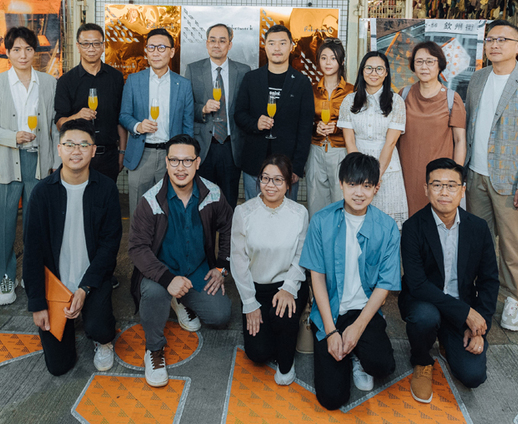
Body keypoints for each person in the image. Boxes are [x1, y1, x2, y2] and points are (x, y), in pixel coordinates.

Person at [464, 20, 518, 332]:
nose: (494, 45)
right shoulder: (477, 79)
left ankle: (514, 300)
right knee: (478, 241)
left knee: (515, 246)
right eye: (490, 40)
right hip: (476, 176)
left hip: (511, 181)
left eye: (502, 40)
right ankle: (481, 294)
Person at [127, 134, 232, 388]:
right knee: (153, 293)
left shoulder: (213, 194)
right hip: (159, 273)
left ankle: (179, 299)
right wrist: (167, 279)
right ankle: (153, 350)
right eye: (174, 160)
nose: (180, 168)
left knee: (221, 314)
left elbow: (230, 229)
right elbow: (137, 249)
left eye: (187, 161)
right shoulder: (150, 200)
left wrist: (221, 267)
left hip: (197, 269)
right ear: (166, 162)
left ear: (197, 163)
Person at [299, 152, 401, 410]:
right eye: (353, 184)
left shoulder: (387, 227)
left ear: (376, 188)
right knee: (332, 398)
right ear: (342, 183)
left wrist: (357, 328)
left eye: (367, 186)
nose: (359, 192)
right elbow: (317, 279)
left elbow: (384, 285)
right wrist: (331, 331)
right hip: (330, 311)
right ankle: (341, 350)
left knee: (383, 365)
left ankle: (356, 353)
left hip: (363, 311)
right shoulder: (322, 221)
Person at [24, 119, 122, 375]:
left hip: (92, 280)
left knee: (98, 327)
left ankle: (104, 339)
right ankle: (67, 317)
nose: (75, 151)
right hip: (55, 285)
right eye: (69, 144)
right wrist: (37, 304)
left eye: (83, 145)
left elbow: (110, 246)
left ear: (93, 150)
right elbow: (32, 251)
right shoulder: (42, 193)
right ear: (59, 149)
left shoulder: (107, 189)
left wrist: (85, 288)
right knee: (59, 366)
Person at [398, 158, 499, 402]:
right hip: (425, 302)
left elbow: (489, 281)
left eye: (452, 185)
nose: (444, 192)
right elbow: (418, 284)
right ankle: (422, 360)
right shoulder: (413, 227)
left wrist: (480, 327)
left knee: (473, 376)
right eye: (437, 185)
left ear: (463, 190)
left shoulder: (478, 227)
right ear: (426, 189)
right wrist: (466, 312)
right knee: (425, 317)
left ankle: (445, 340)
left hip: (461, 308)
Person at [0, 26, 58, 306]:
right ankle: (6, 280)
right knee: (5, 226)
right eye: (16, 49)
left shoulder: (49, 83)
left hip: (38, 162)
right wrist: (11, 137)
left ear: (35, 52)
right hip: (5, 161)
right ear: (8, 53)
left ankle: (31, 275)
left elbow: (56, 127)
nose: (22, 55)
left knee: (36, 226)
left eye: (28, 49)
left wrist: (55, 161)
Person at [231, 154, 309, 385]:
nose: (270, 185)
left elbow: (301, 256)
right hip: (256, 288)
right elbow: (238, 260)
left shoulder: (299, 213)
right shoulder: (244, 212)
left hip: (288, 284)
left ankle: (287, 364)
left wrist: (289, 288)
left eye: (277, 180)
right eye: (265, 178)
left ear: (288, 183)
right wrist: (250, 303)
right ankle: (278, 331)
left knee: (282, 318)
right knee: (258, 354)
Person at [234, 24, 314, 201]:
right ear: (265, 46)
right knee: (254, 215)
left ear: (291, 46)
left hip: (287, 167)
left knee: (286, 218)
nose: (277, 48)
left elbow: (305, 128)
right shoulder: (251, 78)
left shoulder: (302, 83)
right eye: (272, 43)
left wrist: (297, 167)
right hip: (254, 163)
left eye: (282, 43)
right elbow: (239, 114)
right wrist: (255, 124)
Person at [119, 28, 195, 215]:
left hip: (171, 157)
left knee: (170, 210)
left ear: (172, 52)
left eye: (161, 47)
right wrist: (138, 126)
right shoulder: (134, 81)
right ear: (146, 52)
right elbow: (124, 115)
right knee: (139, 211)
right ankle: (139, 246)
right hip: (141, 154)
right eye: (151, 47)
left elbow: (188, 125)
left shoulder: (183, 85)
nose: (156, 52)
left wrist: (185, 159)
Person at [339, 51, 408, 227]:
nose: (374, 73)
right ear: (362, 71)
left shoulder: (396, 102)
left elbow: (391, 142)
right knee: (358, 222)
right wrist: (360, 176)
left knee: (387, 225)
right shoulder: (349, 101)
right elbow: (350, 141)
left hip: (387, 168)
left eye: (379, 69)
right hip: (356, 168)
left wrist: (375, 176)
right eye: (369, 68)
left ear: (386, 73)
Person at [185, 23, 251, 208]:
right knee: (203, 203)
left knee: (228, 202)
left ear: (230, 44)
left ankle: (226, 237)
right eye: (212, 40)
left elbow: (247, 108)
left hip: (231, 146)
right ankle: (205, 238)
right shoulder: (193, 69)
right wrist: (202, 109)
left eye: (222, 40)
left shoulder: (243, 71)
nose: (217, 44)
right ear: (206, 43)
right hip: (204, 146)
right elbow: (186, 108)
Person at [397, 41, 467, 213]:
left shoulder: (452, 99)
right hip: (406, 175)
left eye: (430, 61)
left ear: (439, 65)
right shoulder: (403, 95)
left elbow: (460, 141)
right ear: (413, 65)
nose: (424, 66)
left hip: (440, 178)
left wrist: (455, 178)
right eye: (419, 61)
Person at [54, 23, 127, 182]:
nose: (91, 48)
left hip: (108, 156)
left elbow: (121, 119)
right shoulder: (66, 81)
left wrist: (122, 153)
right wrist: (77, 116)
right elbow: (60, 123)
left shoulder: (115, 78)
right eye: (86, 44)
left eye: (96, 43)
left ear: (103, 46)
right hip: (77, 155)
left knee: (105, 204)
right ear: (78, 47)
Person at [306, 38, 353, 216]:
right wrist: (315, 127)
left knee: (341, 202)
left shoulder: (352, 91)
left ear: (341, 61)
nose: (328, 62)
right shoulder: (311, 89)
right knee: (315, 203)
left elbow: (357, 124)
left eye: (333, 58)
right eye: (323, 58)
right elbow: (304, 121)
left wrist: (338, 127)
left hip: (341, 150)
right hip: (316, 149)